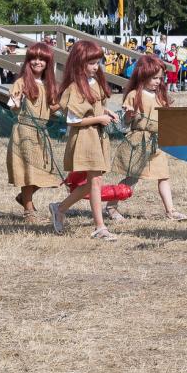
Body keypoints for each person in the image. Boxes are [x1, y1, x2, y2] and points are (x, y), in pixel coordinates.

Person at [49, 40, 119, 241]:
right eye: (91, 63)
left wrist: (106, 112)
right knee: (96, 181)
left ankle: (59, 208)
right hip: (85, 138)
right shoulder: (74, 87)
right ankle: (100, 227)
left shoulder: (94, 83)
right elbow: (73, 119)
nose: (95, 67)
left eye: (97, 62)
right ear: (79, 62)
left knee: (93, 183)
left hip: (97, 136)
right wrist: (99, 118)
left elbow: (93, 107)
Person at [112, 54, 187, 221]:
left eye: (160, 78)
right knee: (133, 177)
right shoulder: (133, 95)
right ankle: (112, 206)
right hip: (139, 142)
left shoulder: (160, 95)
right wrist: (129, 115)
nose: (157, 82)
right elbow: (125, 122)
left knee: (163, 175)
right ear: (143, 76)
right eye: (154, 78)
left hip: (157, 142)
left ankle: (171, 211)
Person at [6, 43, 62, 221]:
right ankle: (28, 210)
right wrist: (16, 102)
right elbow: (13, 106)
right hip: (25, 130)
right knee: (28, 170)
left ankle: (24, 198)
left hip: (41, 131)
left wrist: (64, 101)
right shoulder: (21, 82)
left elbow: (51, 108)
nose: (37, 62)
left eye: (42, 59)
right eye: (33, 58)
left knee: (47, 171)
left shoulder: (49, 84)